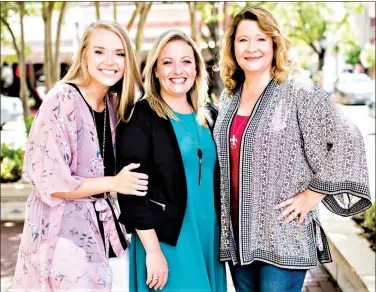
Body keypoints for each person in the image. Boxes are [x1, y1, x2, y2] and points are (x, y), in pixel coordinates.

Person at [214, 6, 371, 292]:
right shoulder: (229, 97)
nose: (252, 48)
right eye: (243, 40)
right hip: (238, 238)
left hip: (283, 234)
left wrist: (314, 193)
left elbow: (347, 138)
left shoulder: (296, 89)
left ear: (274, 44)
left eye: (261, 39)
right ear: (232, 46)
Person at [12, 20, 148, 292]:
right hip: (61, 233)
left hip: (103, 232)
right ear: (84, 54)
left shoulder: (112, 102)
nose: (110, 61)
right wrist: (114, 183)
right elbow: (51, 181)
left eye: (119, 54)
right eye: (99, 51)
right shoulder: (61, 99)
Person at [116, 30, 227, 291]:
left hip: (208, 237)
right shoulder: (140, 117)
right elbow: (132, 192)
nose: (178, 70)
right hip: (166, 241)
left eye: (186, 61)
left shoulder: (210, 115)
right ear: (155, 70)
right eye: (168, 62)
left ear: (197, 69)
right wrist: (153, 252)